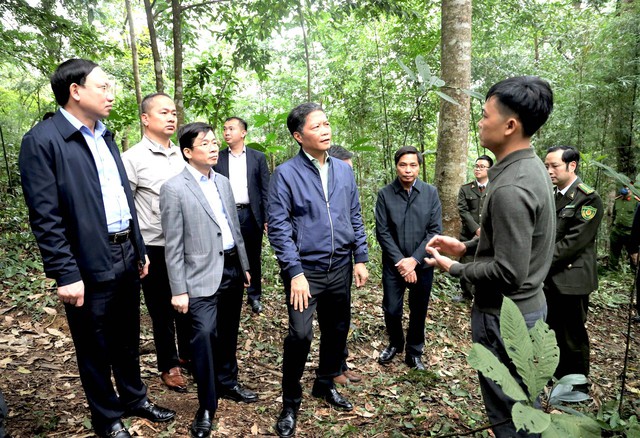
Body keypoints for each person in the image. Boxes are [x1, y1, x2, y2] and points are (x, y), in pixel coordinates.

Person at [18, 58, 175, 438]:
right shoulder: (43, 141)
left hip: (125, 251)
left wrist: (139, 249)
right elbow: (46, 216)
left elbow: (124, 197)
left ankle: (134, 398)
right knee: (94, 344)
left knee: (127, 335)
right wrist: (65, 272)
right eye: (103, 86)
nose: (111, 93)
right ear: (75, 91)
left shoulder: (104, 135)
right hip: (87, 259)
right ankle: (107, 418)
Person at [425, 76, 554, 438]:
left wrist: (455, 267)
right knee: (523, 404)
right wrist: (464, 247)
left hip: (506, 318)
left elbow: (509, 271)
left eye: (484, 115)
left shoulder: (512, 186)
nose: (479, 122)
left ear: (510, 125)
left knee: (510, 412)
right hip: (527, 307)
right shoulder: (528, 169)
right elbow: (515, 244)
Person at [268, 103, 369, 438]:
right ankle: (290, 401)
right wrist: (294, 272)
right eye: (317, 126)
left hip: (340, 265)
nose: (325, 130)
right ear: (299, 136)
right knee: (300, 335)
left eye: (327, 124)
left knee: (337, 329)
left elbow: (354, 214)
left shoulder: (343, 170)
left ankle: (324, 385)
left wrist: (360, 257)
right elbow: (279, 228)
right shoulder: (285, 174)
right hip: (305, 272)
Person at [160, 122, 253, 438]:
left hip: (230, 268)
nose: (214, 147)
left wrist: (244, 265)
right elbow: (172, 244)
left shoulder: (224, 183)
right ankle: (206, 404)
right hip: (198, 275)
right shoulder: (174, 188)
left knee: (228, 331)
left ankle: (228, 383)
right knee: (203, 336)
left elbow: (233, 228)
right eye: (206, 143)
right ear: (188, 152)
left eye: (215, 142)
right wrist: (178, 289)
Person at [122, 93, 191, 392]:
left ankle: (189, 355)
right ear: (145, 118)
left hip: (187, 244)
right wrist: (138, 249)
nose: (171, 118)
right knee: (161, 308)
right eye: (164, 112)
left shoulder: (183, 155)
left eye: (174, 113)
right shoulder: (132, 158)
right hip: (154, 245)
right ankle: (169, 364)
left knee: (188, 302)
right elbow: (126, 207)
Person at [376, 146, 442, 370]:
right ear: (396, 166)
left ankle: (414, 352)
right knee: (392, 308)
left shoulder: (430, 193)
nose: (407, 170)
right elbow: (382, 232)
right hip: (394, 265)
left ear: (419, 167)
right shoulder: (385, 194)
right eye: (403, 165)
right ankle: (395, 343)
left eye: (413, 165)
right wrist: (402, 263)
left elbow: (434, 231)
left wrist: (413, 260)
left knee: (418, 309)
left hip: (422, 265)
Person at [543, 146, 603, 382]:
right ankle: (555, 376)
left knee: (572, 335)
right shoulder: (553, 195)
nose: (549, 171)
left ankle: (576, 383)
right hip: (550, 279)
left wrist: (539, 264)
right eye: (546, 166)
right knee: (551, 330)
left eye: (554, 166)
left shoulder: (588, 198)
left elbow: (572, 244)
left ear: (572, 165)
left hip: (571, 279)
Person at [214, 117, 270, 314]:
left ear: (243, 133)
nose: (226, 132)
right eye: (224, 129)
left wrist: (266, 218)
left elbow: (265, 190)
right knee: (229, 253)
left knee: (253, 256)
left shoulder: (257, 157)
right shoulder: (218, 158)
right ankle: (232, 289)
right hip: (226, 214)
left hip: (250, 213)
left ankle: (254, 296)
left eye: (231, 128)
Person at [327, 144, 362, 386]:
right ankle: (331, 368)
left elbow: (356, 220)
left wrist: (360, 258)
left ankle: (341, 362)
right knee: (331, 320)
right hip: (321, 264)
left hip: (344, 259)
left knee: (342, 316)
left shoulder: (346, 189)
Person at [456, 155, 493, 301]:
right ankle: (466, 295)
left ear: (490, 169)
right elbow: (463, 210)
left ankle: (482, 295)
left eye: (482, 166)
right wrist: (476, 229)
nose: (478, 169)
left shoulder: (496, 187)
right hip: (469, 235)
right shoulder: (466, 189)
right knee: (466, 264)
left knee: (485, 265)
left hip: (489, 235)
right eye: (476, 166)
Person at [609, 186, 639, 270]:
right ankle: (612, 270)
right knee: (614, 251)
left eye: (627, 188)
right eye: (624, 187)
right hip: (617, 230)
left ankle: (634, 271)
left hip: (630, 232)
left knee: (633, 253)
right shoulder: (617, 200)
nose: (625, 189)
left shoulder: (636, 202)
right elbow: (614, 214)